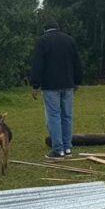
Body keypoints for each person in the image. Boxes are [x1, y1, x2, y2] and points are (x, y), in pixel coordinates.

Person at [30, 21, 82, 159]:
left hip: (51, 85)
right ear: (58, 28)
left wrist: (35, 85)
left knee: (54, 116)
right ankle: (68, 147)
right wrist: (77, 81)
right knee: (67, 116)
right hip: (68, 83)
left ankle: (58, 150)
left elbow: (38, 64)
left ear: (45, 29)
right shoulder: (69, 40)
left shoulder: (42, 41)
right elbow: (76, 61)